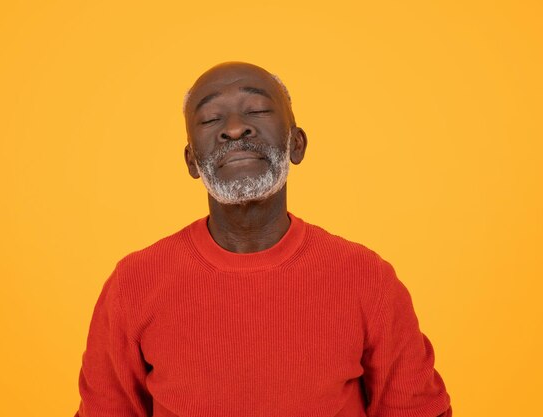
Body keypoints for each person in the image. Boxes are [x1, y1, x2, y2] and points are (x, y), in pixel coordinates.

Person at [75, 62, 452, 417]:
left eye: (256, 110)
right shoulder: (134, 282)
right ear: (192, 161)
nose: (235, 128)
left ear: (297, 144)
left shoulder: (367, 277)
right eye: (210, 118)